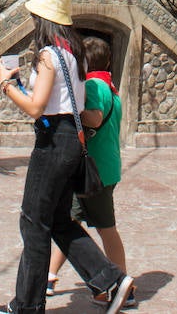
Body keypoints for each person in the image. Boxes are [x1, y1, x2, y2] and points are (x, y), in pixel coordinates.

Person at [0, 0, 134, 314]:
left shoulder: (47, 56)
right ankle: (110, 278)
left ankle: (27, 305)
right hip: (72, 140)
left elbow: (36, 107)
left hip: (53, 142)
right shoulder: (74, 55)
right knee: (59, 221)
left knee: (34, 222)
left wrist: (6, 83)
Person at [47, 36, 132, 309]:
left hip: (93, 171)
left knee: (106, 229)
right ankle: (50, 276)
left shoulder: (94, 85)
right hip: (103, 167)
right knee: (69, 221)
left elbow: (94, 117)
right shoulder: (111, 86)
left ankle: (121, 285)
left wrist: (71, 108)